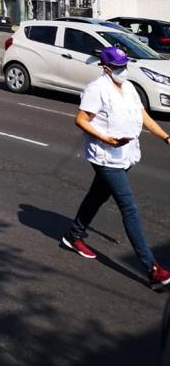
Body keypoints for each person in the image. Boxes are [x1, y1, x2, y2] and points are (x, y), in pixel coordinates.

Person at [61, 45, 170, 288]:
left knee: (97, 196)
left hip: (125, 154)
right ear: (106, 68)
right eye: (118, 67)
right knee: (128, 207)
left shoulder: (129, 88)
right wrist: (104, 138)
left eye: (124, 66)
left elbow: (144, 117)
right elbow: (80, 119)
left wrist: (165, 137)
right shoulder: (96, 89)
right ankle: (152, 268)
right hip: (105, 157)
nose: (123, 71)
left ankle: (73, 235)